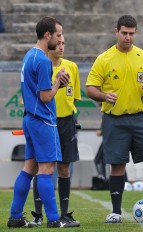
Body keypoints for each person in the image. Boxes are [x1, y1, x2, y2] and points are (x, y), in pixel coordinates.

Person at [86, 15, 143, 224]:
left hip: (141, 118)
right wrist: (104, 96)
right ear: (116, 32)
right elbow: (90, 88)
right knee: (117, 165)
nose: (128, 37)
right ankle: (115, 212)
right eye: (124, 33)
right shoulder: (104, 58)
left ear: (136, 33)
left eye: (132, 33)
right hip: (114, 120)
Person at [7, 16, 73, 228]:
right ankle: (54, 220)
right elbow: (45, 97)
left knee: (29, 168)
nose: (60, 38)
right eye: (59, 34)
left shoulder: (29, 56)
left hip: (29, 119)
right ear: (48, 35)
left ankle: (15, 217)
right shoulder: (43, 60)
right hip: (43, 120)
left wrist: (54, 83)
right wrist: (57, 84)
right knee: (46, 170)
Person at [30, 35, 81, 227]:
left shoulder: (72, 67)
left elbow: (74, 98)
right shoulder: (42, 66)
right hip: (45, 122)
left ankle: (65, 214)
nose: (61, 47)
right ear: (49, 45)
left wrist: (68, 116)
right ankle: (38, 215)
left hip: (66, 123)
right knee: (41, 168)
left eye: (63, 44)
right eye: (58, 43)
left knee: (64, 168)